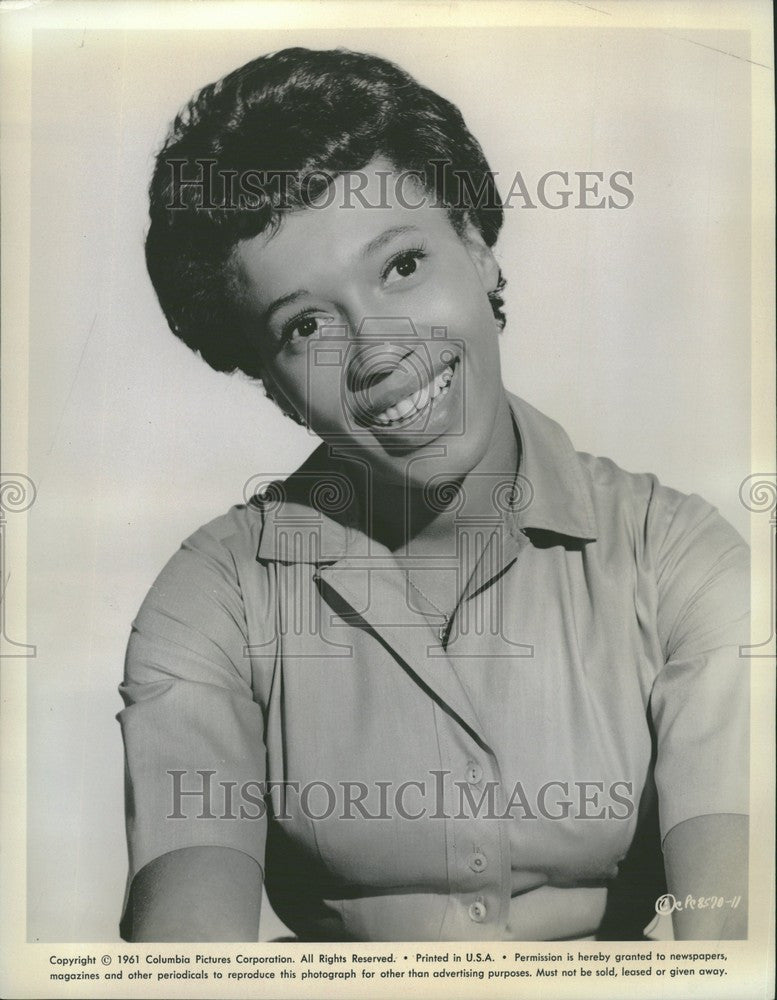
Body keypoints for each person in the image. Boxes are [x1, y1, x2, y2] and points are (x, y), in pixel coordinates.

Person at [118, 47, 749, 942]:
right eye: (304, 325)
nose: (376, 351)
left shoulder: (679, 556)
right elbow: (182, 960)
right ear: (269, 381)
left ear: (479, 249)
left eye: (402, 266)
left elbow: (734, 935)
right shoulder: (215, 597)